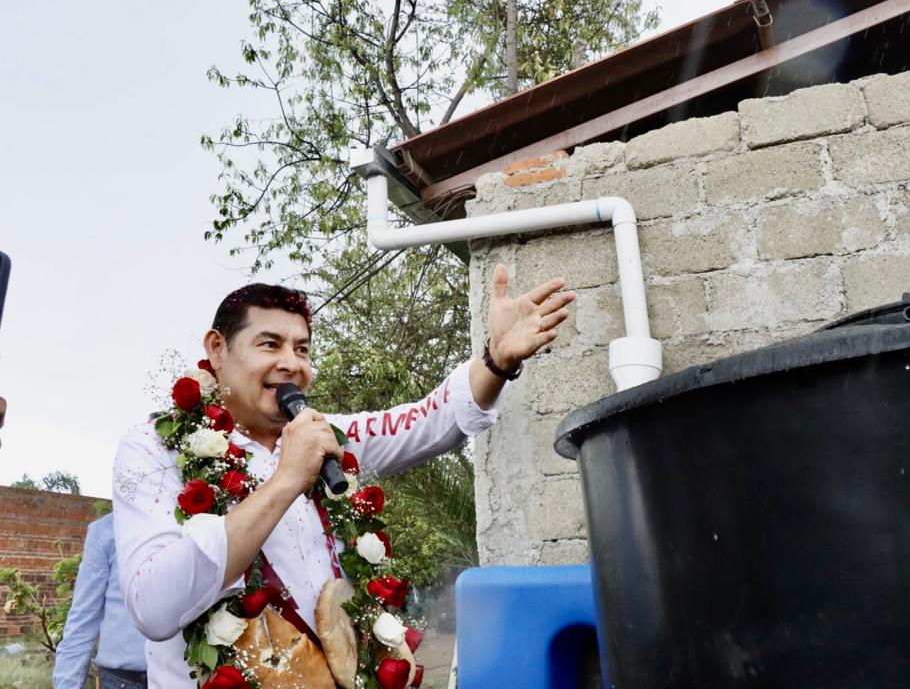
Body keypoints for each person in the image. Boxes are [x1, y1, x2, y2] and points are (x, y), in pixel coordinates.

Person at [112, 265, 574, 688]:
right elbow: (153, 607)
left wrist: (496, 360)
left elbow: (424, 421)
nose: (291, 363)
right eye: (269, 344)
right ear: (217, 349)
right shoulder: (156, 448)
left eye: (302, 349)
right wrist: (288, 478)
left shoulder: (325, 438)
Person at [52, 513, 147, 689]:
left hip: (183, 676)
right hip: (121, 681)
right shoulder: (107, 530)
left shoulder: (194, 523)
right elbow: (83, 617)